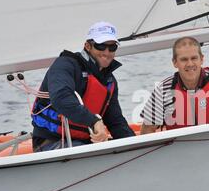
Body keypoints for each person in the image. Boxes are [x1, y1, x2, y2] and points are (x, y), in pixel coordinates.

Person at [31, 21, 135, 152]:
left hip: (85, 142)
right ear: (87, 46)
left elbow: (116, 122)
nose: (107, 52)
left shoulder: (108, 81)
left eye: (112, 47)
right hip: (51, 142)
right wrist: (94, 121)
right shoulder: (65, 65)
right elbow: (61, 98)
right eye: (101, 46)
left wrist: (135, 144)